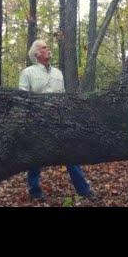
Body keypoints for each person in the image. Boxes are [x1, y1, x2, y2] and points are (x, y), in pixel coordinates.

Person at [19, 39, 97, 202]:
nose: (48, 50)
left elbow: (62, 96)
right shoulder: (28, 73)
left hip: (58, 122)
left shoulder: (58, 73)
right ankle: (34, 191)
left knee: (70, 155)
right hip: (38, 122)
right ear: (36, 54)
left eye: (47, 47)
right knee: (35, 157)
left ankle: (84, 190)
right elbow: (22, 97)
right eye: (44, 48)